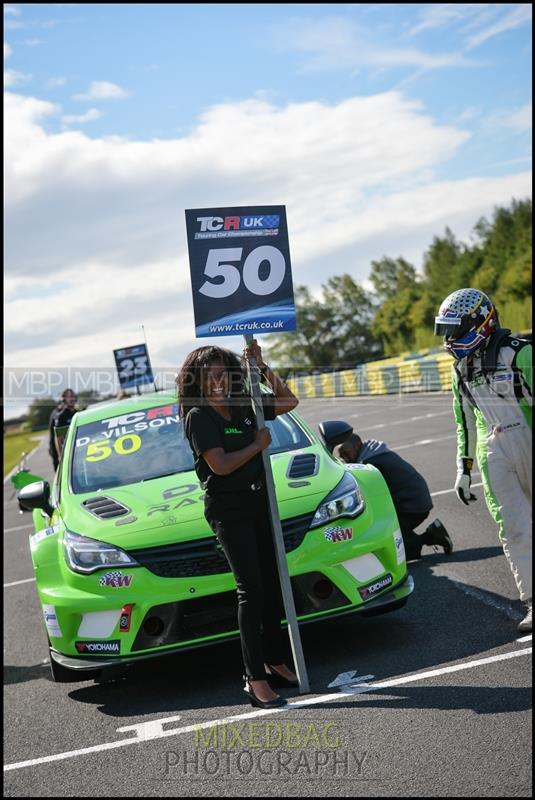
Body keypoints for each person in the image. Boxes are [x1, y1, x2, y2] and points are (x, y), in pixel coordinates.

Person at [177, 339, 300, 708]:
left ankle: (276, 660)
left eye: (223, 375)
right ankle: (254, 678)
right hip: (229, 510)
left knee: (274, 586)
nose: (218, 382)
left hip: (260, 500)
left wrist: (260, 366)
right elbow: (221, 465)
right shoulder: (198, 416)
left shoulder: (243, 402)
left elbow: (288, 402)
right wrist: (258, 444)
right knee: (251, 591)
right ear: (197, 381)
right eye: (209, 376)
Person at [434, 287, 532, 632]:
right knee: (514, 527)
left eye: (455, 329)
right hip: (494, 446)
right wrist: (464, 467)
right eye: (446, 330)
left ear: (481, 321)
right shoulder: (459, 370)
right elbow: (463, 419)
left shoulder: (519, 354)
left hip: (528, 436)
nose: (449, 339)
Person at [334, 434, 452, 561]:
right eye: (341, 456)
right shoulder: (373, 453)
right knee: (392, 534)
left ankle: (432, 536)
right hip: (413, 500)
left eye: (345, 453)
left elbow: (371, 499)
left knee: (396, 552)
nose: (344, 459)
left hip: (412, 506)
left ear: (356, 446)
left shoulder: (371, 465)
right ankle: (422, 535)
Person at [48, 389, 78, 471]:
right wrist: (61, 456)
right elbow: (58, 438)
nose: (72, 399)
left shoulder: (77, 413)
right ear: (63, 399)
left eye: (73, 396)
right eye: (69, 397)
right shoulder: (60, 416)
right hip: (63, 451)